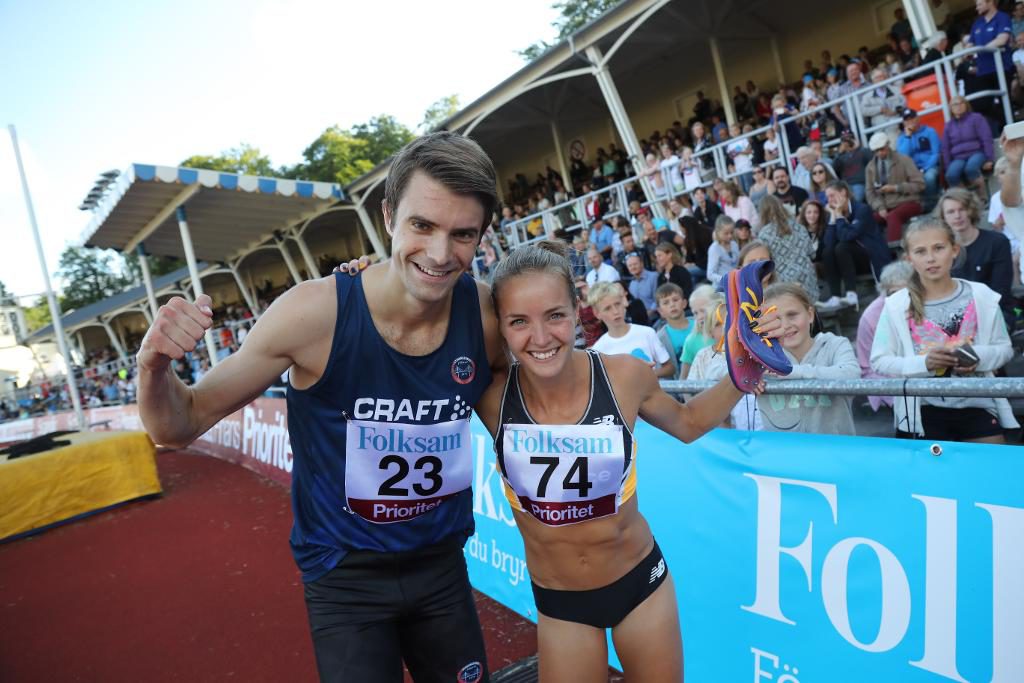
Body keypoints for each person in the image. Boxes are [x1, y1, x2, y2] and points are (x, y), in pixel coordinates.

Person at [136, 132, 505, 682]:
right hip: (346, 580)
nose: (438, 253)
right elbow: (178, 424)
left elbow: (521, 413)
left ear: (481, 236)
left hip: (444, 570)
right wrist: (153, 366)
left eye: (462, 234)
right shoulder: (312, 315)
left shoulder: (484, 316)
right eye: (421, 226)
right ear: (387, 216)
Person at [475, 242, 781, 682]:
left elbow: (689, 421)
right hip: (561, 605)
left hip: (640, 585)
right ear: (499, 327)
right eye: (519, 321)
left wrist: (743, 367)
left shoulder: (624, 376)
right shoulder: (489, 395)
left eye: (555, 315)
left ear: (578, 310)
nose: (540, 338)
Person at [871, 217, 1018, 442]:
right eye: (920, 252)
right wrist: (925, 363)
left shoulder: (982, 296)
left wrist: (977, 357)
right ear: (909, 259)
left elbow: (1004, 349)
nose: (931, 258)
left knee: (989, 472)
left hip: (978, 404)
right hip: (922, 411)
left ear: (954, 250)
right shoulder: (896, 305)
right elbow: (879, 360)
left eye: (938, 248)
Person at [757, 283, 859, 435]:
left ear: (810, 315)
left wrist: (791, 372)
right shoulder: (759, 356)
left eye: (792, 315)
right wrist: (746, 378)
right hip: (784, 455)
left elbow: (852, 375)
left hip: (835, 452)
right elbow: (717, 370)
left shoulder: (835, 344)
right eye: (775, 319)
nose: (785, 325)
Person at [940, 188, 1016, 330]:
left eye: (962, 209)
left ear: (971, 210)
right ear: (943, 217)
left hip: (996, 314)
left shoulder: (997, 242)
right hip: (955, 319)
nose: (957, 216)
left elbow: (1000, 292)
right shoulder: (941, 251)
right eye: (950, 212)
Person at [822, 180, 892, 307]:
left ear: (843, 192)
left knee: (842, 247)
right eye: (827, 197)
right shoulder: (833, 213)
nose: (829, 200)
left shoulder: (862, 209)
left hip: (870, 257)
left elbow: (847, 236)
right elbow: (828, 243)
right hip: (848, 261)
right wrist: (833, 216)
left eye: (832, 195)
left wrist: (838, 215)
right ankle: (835, 296)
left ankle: (851, 294)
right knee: (827, 252)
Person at [856, 261, 914, 412]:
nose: (900, 299)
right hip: (887, 378)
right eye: (893, 293)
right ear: (884, 293)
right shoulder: (871, 316)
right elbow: (868, 367)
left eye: (906, 293)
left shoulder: (924, 304)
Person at [589, 282, 673, 378]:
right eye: (607, 308)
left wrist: (646, 375)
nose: (615, 311)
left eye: (617, 304)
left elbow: (669, 368)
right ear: (597, 313)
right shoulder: (598, 349)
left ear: (623, 302)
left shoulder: (647, 333)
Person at [964, 0, 1014, 134]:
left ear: (990, 2)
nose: (976, 8)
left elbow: (1002, 39)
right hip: (983, 71)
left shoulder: (1002, 17)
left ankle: (1010, 131)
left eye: (979, 4)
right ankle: (1003, 127)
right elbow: (969, 45)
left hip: (1001, 68)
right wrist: (967, 52)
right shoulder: (977, 23)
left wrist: (979, 49)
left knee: (1005, 103)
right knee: (980, 104)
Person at [757, 195, 820, 301]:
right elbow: (812, 253)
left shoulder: (764, 234)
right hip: (807, 277)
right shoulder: (799, 226)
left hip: (783, 283)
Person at [865, 132, 925, 242]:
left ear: (888, 144)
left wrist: (896, 188)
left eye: (882, 149)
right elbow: (870, 193)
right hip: (886, 206)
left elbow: (920, 184)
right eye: (876, 151)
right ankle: (879, 252)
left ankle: (893, 249)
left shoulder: (904, 160)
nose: (879, 153)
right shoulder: (870, 167)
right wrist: (880, 207)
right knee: (868, 221)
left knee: (893, 216)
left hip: (909, 202)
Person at [940, 96, 995, 197]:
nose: (959, 106)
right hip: (958, 158)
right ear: (951, 108)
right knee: (951, 174)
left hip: (977, 152)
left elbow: (986, 138)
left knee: (971, 168)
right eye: (955, 104)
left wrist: (989, 159)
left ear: (966, 105)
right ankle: (965, 200)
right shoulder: (948, 126)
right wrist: (948, 166)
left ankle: (983, 198)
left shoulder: (977, 118)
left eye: (961, 103)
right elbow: (945, 148)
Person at [896, 108, 941, 210]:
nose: (910, 122)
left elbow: (936, 153)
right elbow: (903, 157)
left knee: (929, 177)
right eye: (907, 120)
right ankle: (917, 205)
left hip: (930, 166)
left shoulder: (930, 131)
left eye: (912, 118)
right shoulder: (902, 138)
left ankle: (931, 203)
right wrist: (908, 137)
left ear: (918, 118)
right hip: (912, 169)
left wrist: (924, 169)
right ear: (903, 123)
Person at [678, 284, 718, 378]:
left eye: (703, 311)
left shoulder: (734, 333)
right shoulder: (691, 340)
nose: (699, 317)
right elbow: (683, 380)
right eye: (695, 313)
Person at [654, 283, 692, 378]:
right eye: (666, 303)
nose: (672, 305)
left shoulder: (700, 324)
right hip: (682, 388)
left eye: (675, 300)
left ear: (684, 303)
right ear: (660, 311)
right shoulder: (660, 338)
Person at [832, 131, 873, 203]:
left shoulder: (862, 151)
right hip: (845, 185)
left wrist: (858, 147)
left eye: (850, 138)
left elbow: (872, 158)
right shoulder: (840, 156)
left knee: (855, 199)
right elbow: (834, 169)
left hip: (859, 183)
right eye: (844, 140)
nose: (847, 142)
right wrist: (839, 153)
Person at [624, 254, 661, 323]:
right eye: (630, 266)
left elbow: (658, 298)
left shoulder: (654, 277)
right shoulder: (632, 284)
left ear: (642, 264)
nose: (633, 267)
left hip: (655, 317)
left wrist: (650, 312)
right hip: (640, 321)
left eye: (635, 264)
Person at [706, 215, 740, 285]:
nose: (730, 236)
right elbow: (710, 274)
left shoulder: (734, 244)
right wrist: (725, 280)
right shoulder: (714, 249)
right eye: (726, 233)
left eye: (731, 232)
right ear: (718, 232)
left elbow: (737, 263)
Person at [798, 199, 828, 264]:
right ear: (804, 214)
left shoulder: (826, 229)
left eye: (816, 212)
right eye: (809, 212)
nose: (812, 215)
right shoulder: (799, 230)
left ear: (820, 214)